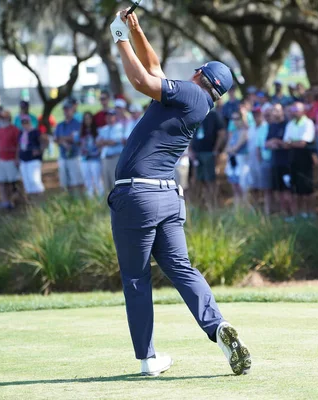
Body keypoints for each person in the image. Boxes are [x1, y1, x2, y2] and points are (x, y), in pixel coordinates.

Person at [108, 10, 251, 376]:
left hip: (137, 195)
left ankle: (147, 358)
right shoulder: (199, 102)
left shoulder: (188, 92)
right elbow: (154, 68)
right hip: (168, 197)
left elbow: (141, 80)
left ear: (200, 75)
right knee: (182, 269)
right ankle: (217, 326)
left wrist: (119, 37)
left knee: (137, 279)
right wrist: (137, 32)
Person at [283, 102, 315, 218]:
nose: (294, 111)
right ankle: (299, 214)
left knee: (307, 187)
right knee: (295, 187)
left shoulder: (308, 123)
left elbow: (303, 143)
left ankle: (309, 212)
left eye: (296, 109)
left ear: (303, 111)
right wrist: (293, 143)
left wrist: (292, 142)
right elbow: (285, 143)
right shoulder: (290, 124)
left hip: (305, 158)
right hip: (293, 158)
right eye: (293, 109)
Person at [191, 109, 225, 209]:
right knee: (198, 180)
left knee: (210, 180)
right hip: (197, 153)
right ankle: (202, 206)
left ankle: (213, 205)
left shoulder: (214, 115)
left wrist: (215, 150)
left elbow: (222, 133)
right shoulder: (195, 113)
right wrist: (191, 150)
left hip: (209, 152)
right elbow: (190, 133)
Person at [265, 104, 293, 216]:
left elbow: (288, 143)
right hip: (275, 162)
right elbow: (266, 143)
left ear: (282, 112)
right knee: (279, 191)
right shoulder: (272, 126)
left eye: (276, 110)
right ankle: (285, 214)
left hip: (287, 162)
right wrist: (271, 143)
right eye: (273, 110)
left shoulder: (288, 125)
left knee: (288, 190)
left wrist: (277, 141)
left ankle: (293, 214)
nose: (274, 112)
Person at [55, 101, 84, 193]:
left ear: (72, 110)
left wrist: (63, 138)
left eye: (68, 109)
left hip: (74, 156)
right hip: (63, 156)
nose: (66, 111)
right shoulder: (60, 125)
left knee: (76, 181)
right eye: (65, 110)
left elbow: (76, 139)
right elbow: (56, 139)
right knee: (64, 182)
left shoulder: (77, 124)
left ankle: (78, 200)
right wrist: (65, 140)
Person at [0, 111, 23, 208]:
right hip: (2, 159)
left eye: (3, 118)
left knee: (13, 182)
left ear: (8, 118)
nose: (2, 120)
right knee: (2, 182)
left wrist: (16, 158)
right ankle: (5, 202)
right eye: (1, 118)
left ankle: (15, 201)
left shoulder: (15, 130)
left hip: (11, 159)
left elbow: (19, 145)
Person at [97, 109, 127, 193]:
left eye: (111, 116)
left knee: (115, 183)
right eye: (107, 116)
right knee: (106, 184)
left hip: (115, 158)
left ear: (115, 117)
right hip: (105, 158)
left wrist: (104, 142)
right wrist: (106, 142)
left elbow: (114, 142)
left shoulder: (120, 127)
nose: (109, 118)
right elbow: (98, 142)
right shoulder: (104, 129)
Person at [225, 110, 250, 208]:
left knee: (243, 189)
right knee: (235, 188)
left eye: (237, 119)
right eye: (233, 119)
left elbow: (236, 147)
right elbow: (227, 148)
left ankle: (245, 212)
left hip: (242, 162)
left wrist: (231, 149)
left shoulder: (245, 132)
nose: (235, 121)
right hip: (233, 162)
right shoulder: (234, 132)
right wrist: (231, 149)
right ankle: (237, 211)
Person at [18, 115, 46, 198]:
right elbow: (19, 145)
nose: (24, 124)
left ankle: (40, 197)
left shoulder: (36, 132)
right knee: (27, 181)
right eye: (23, 122)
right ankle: (32, 201)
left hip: (33, 159)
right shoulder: (21, 133)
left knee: (34, 179)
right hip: (24, 158)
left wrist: (39, 150)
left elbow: (44, 141)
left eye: (26, 122)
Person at [253, 107, 273, 214]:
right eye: (266, 115)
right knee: (267, 189)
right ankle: (268, 212)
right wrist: (260, 162)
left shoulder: (278, 125)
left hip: (278, 161)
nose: (268, 117)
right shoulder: (262, 128)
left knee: (279, 190)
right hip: (266, 161)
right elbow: (258, 148)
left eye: (270, 114)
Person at [79, 112, 104, 197]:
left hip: (95, 158)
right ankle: (90, 198)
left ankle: (101, 197)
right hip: (84, 158)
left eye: (89, 118)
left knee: (97, 179)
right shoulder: (82, 132)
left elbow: (100, 144)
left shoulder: (97, 131)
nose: (87, 120)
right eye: (86, 119)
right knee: (87, 179)